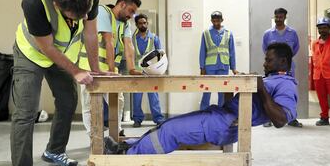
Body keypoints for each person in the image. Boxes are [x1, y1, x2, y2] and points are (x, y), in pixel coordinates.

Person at [105, 43, 298, 155]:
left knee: (172, 131)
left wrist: (261, 88)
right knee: (167, 123)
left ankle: (125, 157)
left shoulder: (286, 85)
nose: (264, 63)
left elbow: (280, 120)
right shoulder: (272, 78)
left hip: (228, 125)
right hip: (221, 115)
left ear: (283, 62)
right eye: (265, 59)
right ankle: (127, 146)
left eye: (269, 60)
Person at [9, 0, 100, 166]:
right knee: (25, 112)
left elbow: (90, 33)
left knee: (68, 101)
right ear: (57, 4)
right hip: (32, 55)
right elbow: (47, 48)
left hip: (62, 56)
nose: (80, 19)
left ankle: (54, 150)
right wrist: (77, 70)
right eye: (73, 16)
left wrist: (95, 68)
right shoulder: (34, 0)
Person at [79, 0, 142, 135]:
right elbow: (109, 42)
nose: (132, 15)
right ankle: (94, 136)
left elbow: (129, 45)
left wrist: (132, 69)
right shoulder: (102, 12)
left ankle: (116, 131)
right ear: (122, 4)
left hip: (109, 69)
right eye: (131, 11)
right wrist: (113, 71)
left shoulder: (125, 24)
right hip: (90, 67)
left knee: (118, 99)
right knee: (90, 103)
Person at [262, 8, 302, 128]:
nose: (278, 19)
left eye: (281, 17)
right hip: (272, 69)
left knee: (289, 92)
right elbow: (266, 50)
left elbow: (295, 49)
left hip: (287, 68)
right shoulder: (268, 34)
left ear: (285, 17)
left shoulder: (292, 33)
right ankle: (268, 117)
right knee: (270, 91)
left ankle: (291, 118)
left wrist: (284, 61)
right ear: (274, 17)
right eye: (276, 17)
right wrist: (273, 62)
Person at [131, 14, 165, 127]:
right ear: (136, 25)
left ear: (147, 23)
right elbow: (130, 56)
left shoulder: (154, 38)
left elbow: (161, 55)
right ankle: (137, 119)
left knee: (153, 95)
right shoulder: (132, 39)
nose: (143, 25)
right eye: (140, 23)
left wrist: (160, 70)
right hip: (137, 71)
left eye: (144, 23)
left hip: (151, 71)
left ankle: (158, 118)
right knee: (136, 97)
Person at [199, 11, 238, 110]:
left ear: (222, 20)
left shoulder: (228, 33)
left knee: (222, 91)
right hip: (210, 66)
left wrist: (233, 68)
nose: (216, 23)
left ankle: (221, 112)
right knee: (207, 90)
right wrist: (202, 67)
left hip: (223, 65)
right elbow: (202, 51)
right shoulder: (206, 33)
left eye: (218, 21)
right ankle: (203, 111)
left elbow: (232, 51)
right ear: (211, 20)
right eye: (214, 21)